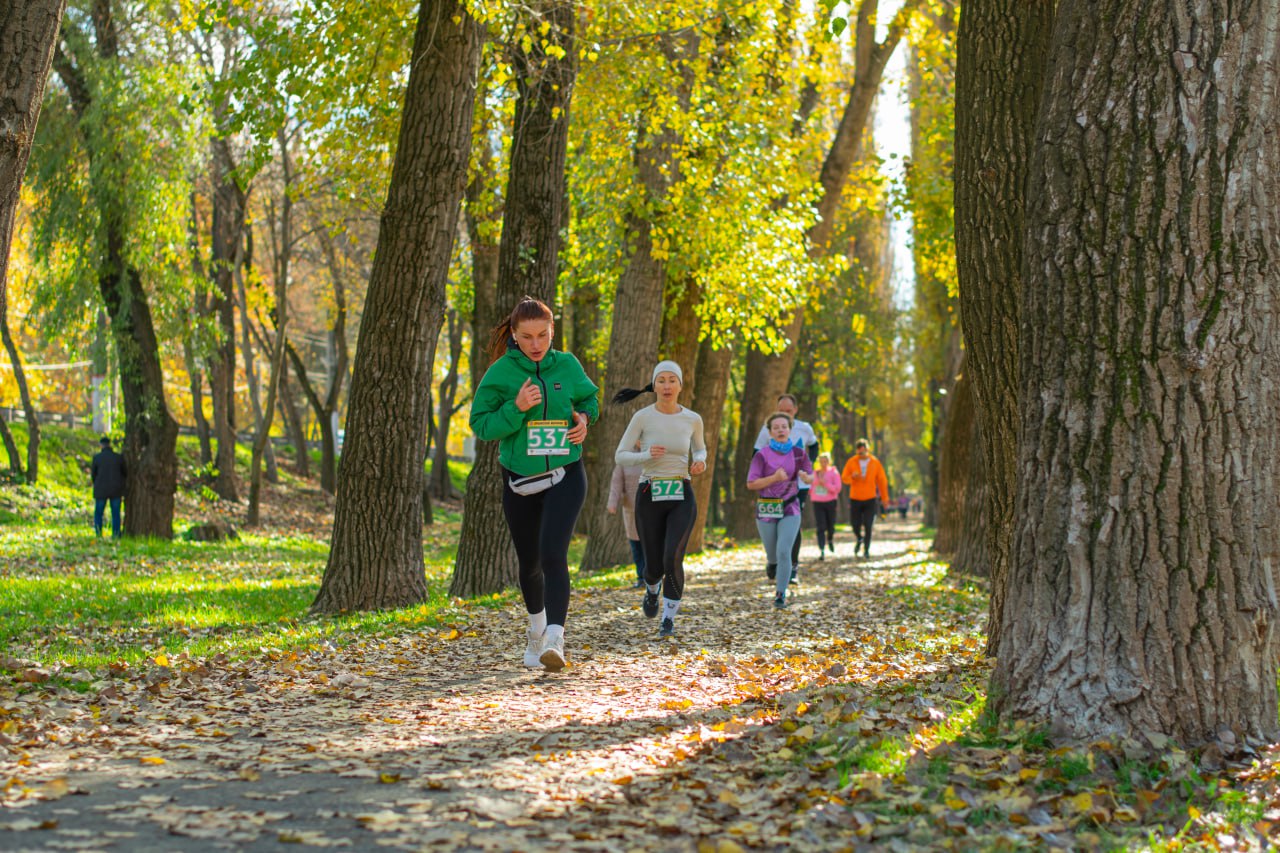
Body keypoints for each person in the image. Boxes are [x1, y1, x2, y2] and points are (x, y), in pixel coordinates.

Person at [470, 297, 599, 672]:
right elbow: (480, 424)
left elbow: (590, 399)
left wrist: (584, 420)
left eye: (543, 335)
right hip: (520, 481)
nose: (536, 344)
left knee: (553, 554)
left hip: (566, 474)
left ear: (552, 331)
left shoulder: (568, 365)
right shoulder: (501, 372)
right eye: (526, 337)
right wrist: (517, 407)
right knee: (530, 564)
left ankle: (555, 638)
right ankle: (536, 628)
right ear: (514, 335)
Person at [613, 361, 707, 638]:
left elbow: (700, 449)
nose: (667, 386)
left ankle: (668, 619)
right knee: (652, 566)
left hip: (681, 492)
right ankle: (651, 589)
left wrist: (699, 462)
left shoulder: (693, 418)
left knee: (673, 556)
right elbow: (620, 455)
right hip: (649, 493)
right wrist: (645, 456)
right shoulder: (643, 417)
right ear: (654, 385)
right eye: (661, 380)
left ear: (680, 384)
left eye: (672, 380)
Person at [747, 412, 813, 608]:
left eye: (784, 426)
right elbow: (751, 483)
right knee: (773, 554)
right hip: (767, 507)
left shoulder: (799, 453)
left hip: (790, 506)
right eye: (776, 427)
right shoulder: (762, 455)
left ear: (790, 430)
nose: (780, 430)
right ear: (770, 432)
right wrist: (773, 478)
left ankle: (780, 594)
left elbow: (810, 476)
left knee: (784, 551)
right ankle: (772, 563)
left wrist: (806, 477)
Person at [752, 394, 818, 582]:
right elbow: (756, 453)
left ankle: (793, 568)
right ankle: (774, 561)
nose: (784, 415)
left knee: (794, 524)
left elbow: (814, 445)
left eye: (788, 411)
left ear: (795, 410)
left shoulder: (804, 428)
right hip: (774, 485)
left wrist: (808, 465)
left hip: (799, 486)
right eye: (781, 410)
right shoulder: (768, 429)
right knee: (772, 522)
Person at [841, 439, 889, 559]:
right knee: (855, 524)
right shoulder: (852, 461)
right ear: (857, 451)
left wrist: (885, 498)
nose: (862, 454)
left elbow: (882, 481)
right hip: (855, 497)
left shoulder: (875, 462)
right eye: (860, 452)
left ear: (867, 450)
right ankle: (859, 538)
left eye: (864, 451)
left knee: (868, 524)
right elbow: (844, 478)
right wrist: (852, 477)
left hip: (870, 498)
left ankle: (866, 549)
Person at [607, 450, 645, 588]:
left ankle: (653, 577)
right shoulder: (625, 459)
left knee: (651, 545)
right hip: (631, 509)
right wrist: (612, 503)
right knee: (636, 546)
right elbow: (616, 483)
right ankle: (641, 577)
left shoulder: (655, 455)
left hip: (653, 509)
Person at [90, 436, 126, 539]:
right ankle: (116, 534)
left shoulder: (97, 458)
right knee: (115, 513)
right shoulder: (118, 457)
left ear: (101, 445)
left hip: (101, 489)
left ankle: (98, 533)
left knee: (99, 513)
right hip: (116, 489)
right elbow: (124, 473)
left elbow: (94, 474)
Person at [810, 452, 841, 559]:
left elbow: (837, 488)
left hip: (830, 501)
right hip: (818, 502)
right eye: (821, 461)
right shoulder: (815, 473)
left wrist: (825, 484)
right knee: (820, 526)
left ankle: (830, 538)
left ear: (829, 462)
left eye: (825, 461)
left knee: (830, 525)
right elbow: (810, 487)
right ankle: (822, 550)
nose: (823, 464)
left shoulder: (833, 472)